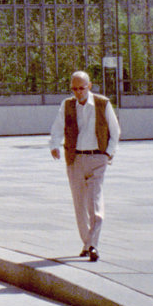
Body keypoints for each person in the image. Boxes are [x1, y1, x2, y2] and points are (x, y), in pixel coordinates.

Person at [49, 71, 120, 262]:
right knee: (79, 205)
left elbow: (115, 131)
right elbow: (57, 128)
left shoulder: (102, 103)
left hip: (97, 158)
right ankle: (86, 243)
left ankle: (93, 245)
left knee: (95, 203)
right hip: (75, 159)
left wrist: (108, 153)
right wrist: (54, 145)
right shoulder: (67, 105)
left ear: (89, 86)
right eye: (74, 89)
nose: (78, 92)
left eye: (81, 88)